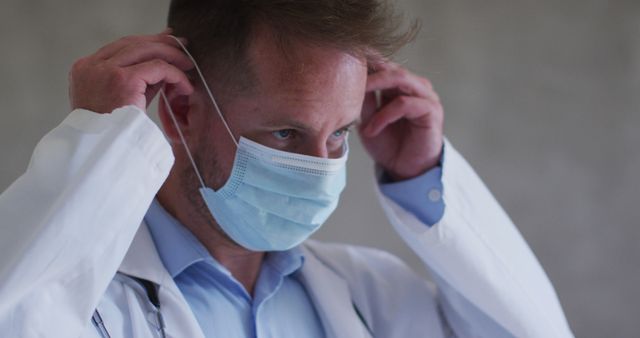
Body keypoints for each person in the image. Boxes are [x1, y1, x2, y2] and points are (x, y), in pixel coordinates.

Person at [0, 0, 574, 337]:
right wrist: (97, 146)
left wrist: (421, 177)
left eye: (339, 134)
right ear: (181, 110)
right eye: (285, 132)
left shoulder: (371, 294)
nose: (320, 168)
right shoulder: (87, 297)